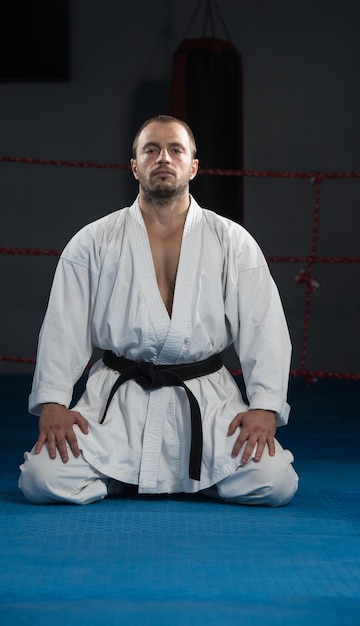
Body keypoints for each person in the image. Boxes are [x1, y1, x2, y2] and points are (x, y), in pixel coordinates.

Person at [19, 115, 298, 506]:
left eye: (175, 150)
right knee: (40, 478)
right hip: (118, 401)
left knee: (275, 482)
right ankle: (156, 476)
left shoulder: (233, 241)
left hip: (205, 400)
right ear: (135, 166)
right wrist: (53, 403)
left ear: (193, 166)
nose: (163, 158)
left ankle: (132, 476)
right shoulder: (93, 241)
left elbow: (263, 327)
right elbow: (64, 326)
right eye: (151, 150)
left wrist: (265, 407)